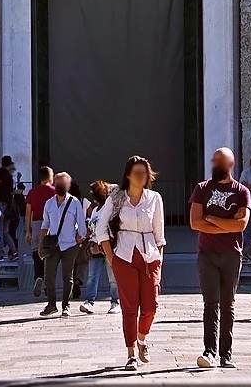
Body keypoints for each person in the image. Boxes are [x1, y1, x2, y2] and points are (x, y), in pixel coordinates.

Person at [189, 145, 251, 371]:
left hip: (232, 255)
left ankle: (226, 354)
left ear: (231, 164)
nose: (216, 165)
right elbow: (195, 223)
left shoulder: (242, 192)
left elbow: (241, 225)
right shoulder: (202, 189)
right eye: (214, 160)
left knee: (228, 305)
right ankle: (210, 351)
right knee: (210, 304)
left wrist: (211, 218)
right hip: (207, 255)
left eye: (221, 161)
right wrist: (227, 224)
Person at [99, 155, 166, 368]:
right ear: (128, 175)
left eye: (144, 172)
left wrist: (160, 263)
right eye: (137, 172)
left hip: (150, 256)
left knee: (151, 306)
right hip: (124, 255)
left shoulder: (155, 198)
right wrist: (112, 258)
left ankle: (141, 338)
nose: (141, 176)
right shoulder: (116, 198)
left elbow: (159, 234)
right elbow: (100, 229)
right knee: (130, 308)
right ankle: (131, 354)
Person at [39, 171, 86, 317]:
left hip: (70, 244)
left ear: (67, 186)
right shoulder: (49, 203)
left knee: (68, 276)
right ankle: (51, 304)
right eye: (58, 183)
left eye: (62, 184)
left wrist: (81, 236)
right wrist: (41, 245)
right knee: (49, 275)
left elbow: (81, 223)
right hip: (53, 244)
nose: (59, 186)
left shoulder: (75, 203)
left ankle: (66, 305)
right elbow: (45, 225)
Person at [80, 180, 116, 313]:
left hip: (106, 246)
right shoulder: (95, 210)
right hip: (95, 246)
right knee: (92, 276)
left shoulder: (109, 209)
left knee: (112, 277)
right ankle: (89, 301)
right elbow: (91, 229)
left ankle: (115, 302)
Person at [25, 165, 56, 296]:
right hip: (51, 225)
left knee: (36, 254)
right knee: (51, 256)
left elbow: (28, 213)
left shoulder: (32, 192)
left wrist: (28, 230)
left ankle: (38, 277)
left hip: (36, 224)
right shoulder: (55, 191)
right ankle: (49, 286)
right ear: (50, 177)